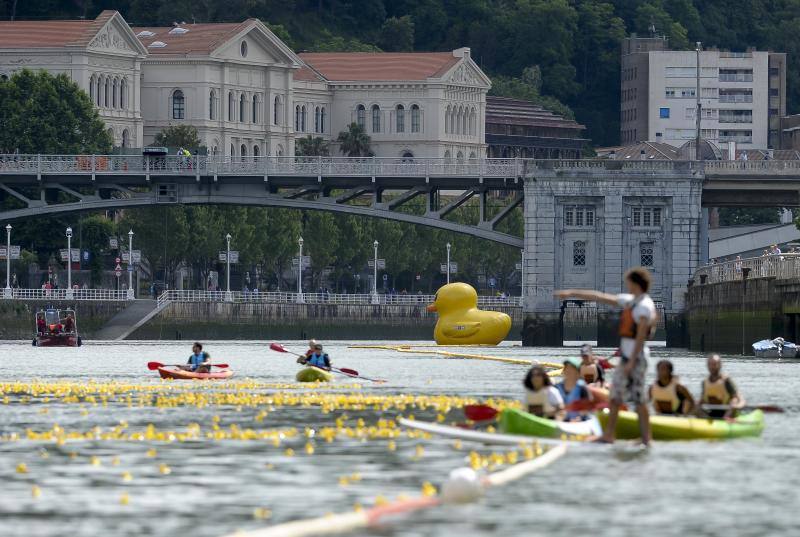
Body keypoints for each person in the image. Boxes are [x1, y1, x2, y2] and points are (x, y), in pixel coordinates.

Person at [555, 267, 657, 445]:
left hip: (636, 358)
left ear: (635, 283)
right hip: (627, 357)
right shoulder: (630, 301)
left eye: (628, 282)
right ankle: (609, 435)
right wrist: (571, 293)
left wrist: (631, 361)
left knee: (639, 398)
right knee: (615, 396)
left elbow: (641, 335)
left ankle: (647, 438)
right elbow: (600, 296)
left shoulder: (644, 306)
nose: (626, 285)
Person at [700, 354, 744, 418]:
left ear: (720, 365)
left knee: (734, 400)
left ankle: (726, 419)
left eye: (715, 364)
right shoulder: (704, 382)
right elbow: (702, 401)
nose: (712, 367)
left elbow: (739, 399)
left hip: (727, 413)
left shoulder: (726, 381)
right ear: (707, 366)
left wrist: (737, 406)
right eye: (710, 364)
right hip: (711, 413)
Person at [555, 357, 593, 421]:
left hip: (580, 421)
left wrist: (579, 417)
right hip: (561, 420)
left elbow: (588, 408)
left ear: (578, 372)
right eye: (566, 368)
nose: (568, 370)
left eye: (571, 368)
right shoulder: (557, 387)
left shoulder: (582, 388)